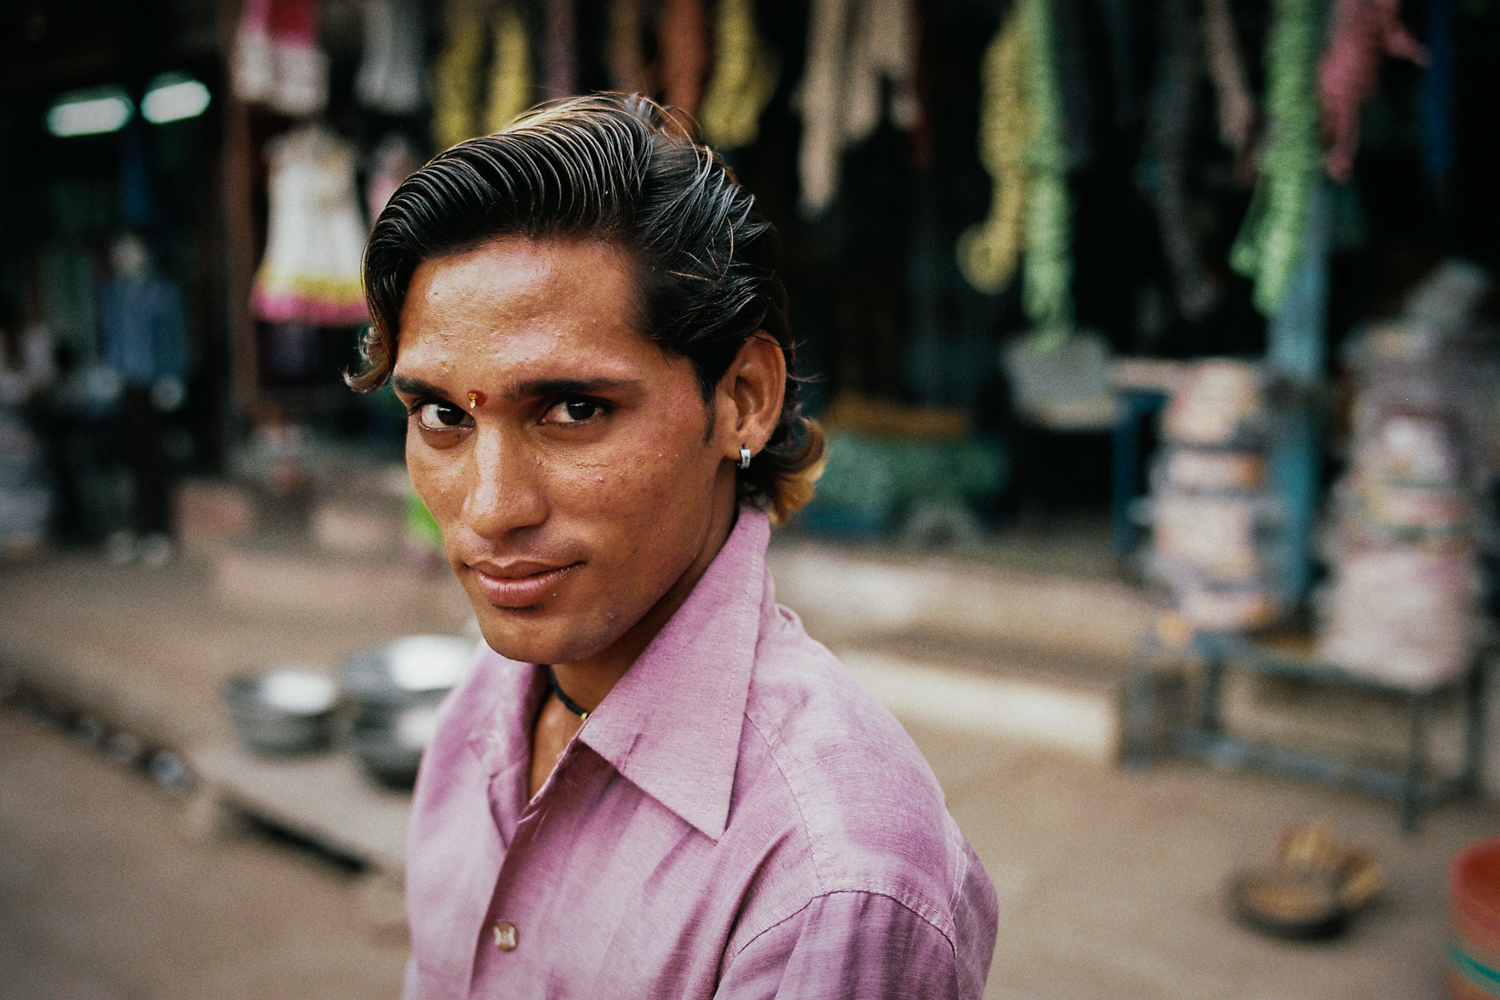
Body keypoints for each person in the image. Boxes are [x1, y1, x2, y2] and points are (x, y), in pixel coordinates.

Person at [354, 94, 998, 999]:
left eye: (575, 409)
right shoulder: (484, 705)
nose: (491, 510)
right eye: (441, 415)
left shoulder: (832, 878)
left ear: (741, 398)